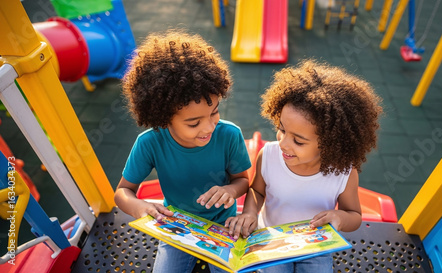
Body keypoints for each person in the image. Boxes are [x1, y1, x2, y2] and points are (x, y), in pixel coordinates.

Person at [225, 60, 383, 273]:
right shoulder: (270, 155)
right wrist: (251, 213)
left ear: (330, 144)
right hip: (272, 238)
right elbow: (256, 191)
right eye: (281, 130)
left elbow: (354, 215)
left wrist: (339, 217)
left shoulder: (344, 172)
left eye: (298, 141)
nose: (283, 143)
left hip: (314, 245)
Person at [114, 29, 252, 273]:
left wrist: (229, 189)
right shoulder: (150, 143)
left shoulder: (229, 135)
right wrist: (139, 207)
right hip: (177, 226)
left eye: (214, 112)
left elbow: (242, 180)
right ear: (164, 118)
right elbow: (123, 192)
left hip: (224, 225)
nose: (209, 127)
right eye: (193, 123)